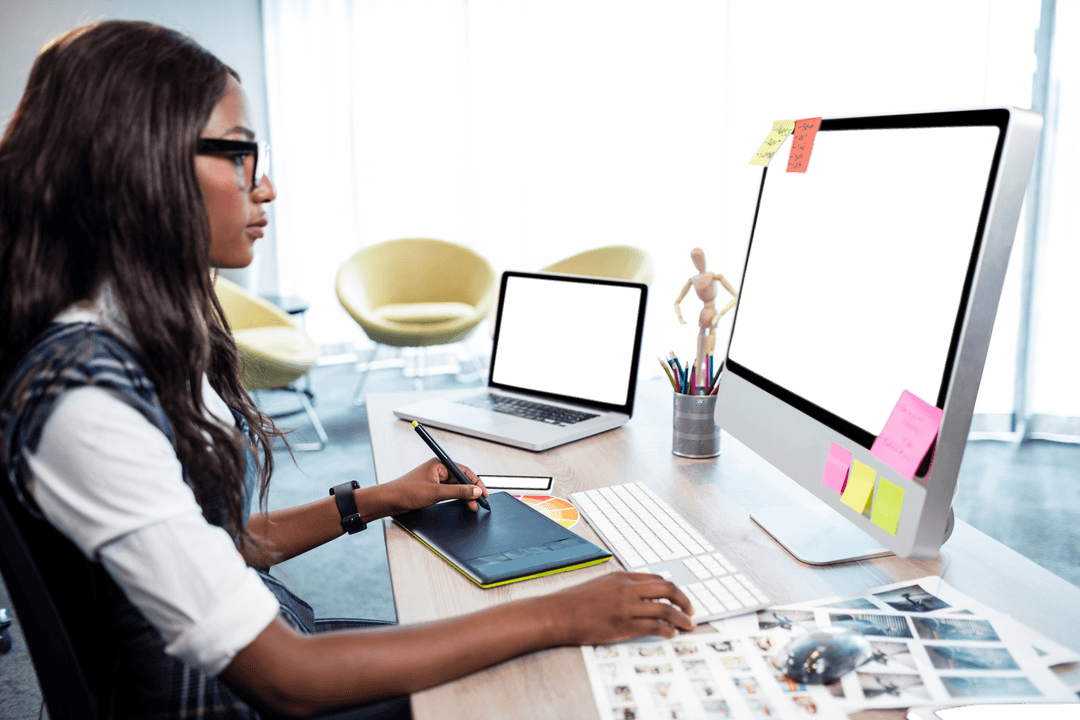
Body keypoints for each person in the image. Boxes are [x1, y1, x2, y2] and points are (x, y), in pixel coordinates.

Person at [0, 20, 695, 720]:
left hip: (271, 644)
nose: (266, 187)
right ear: (138, 165)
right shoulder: (86, 398)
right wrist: (558, 614)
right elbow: (289, 679)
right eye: (241, 154)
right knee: (558, 677)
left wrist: (380, 498)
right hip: (246, 696)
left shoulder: (135, 335)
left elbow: (227, 544)